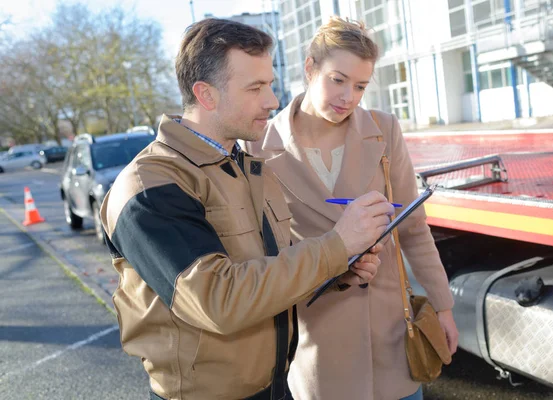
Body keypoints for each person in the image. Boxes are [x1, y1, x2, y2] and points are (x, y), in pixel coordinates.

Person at [100, 18, 394, 400]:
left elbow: (275, 271)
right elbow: (217, 300)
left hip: (275, 388)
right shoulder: (149, 186)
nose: (272, 101)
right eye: (255, 88)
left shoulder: (249, 168)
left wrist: (341, 269)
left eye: (270, 84)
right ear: (206, 95)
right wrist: (337, 245)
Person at [242, 17, 459, 400]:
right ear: (310, 68)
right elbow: (261, 254)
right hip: (319, 348)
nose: (349, 97)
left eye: (360, 86)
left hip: (394, 343)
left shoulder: (384, 129)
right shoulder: (258, 148)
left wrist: (443, 307)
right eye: (337, 80)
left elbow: (413, 228)